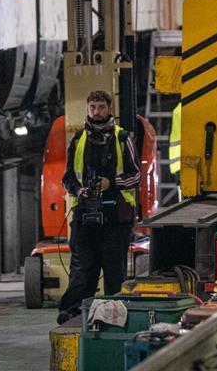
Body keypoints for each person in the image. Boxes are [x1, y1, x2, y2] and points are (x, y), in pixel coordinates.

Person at [57, 90, 139, 324]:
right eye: (92, 107)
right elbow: (68, 177)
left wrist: (111, 183)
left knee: (115, 273)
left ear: (110, 109)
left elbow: (136, 176)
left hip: (116, 218)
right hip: (85, 216)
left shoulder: (123, 138)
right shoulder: (79, 139)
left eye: (101, 107)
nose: (96, 111)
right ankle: (72, 312)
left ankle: (114, 316)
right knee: (82, 271)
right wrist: (78, 190)